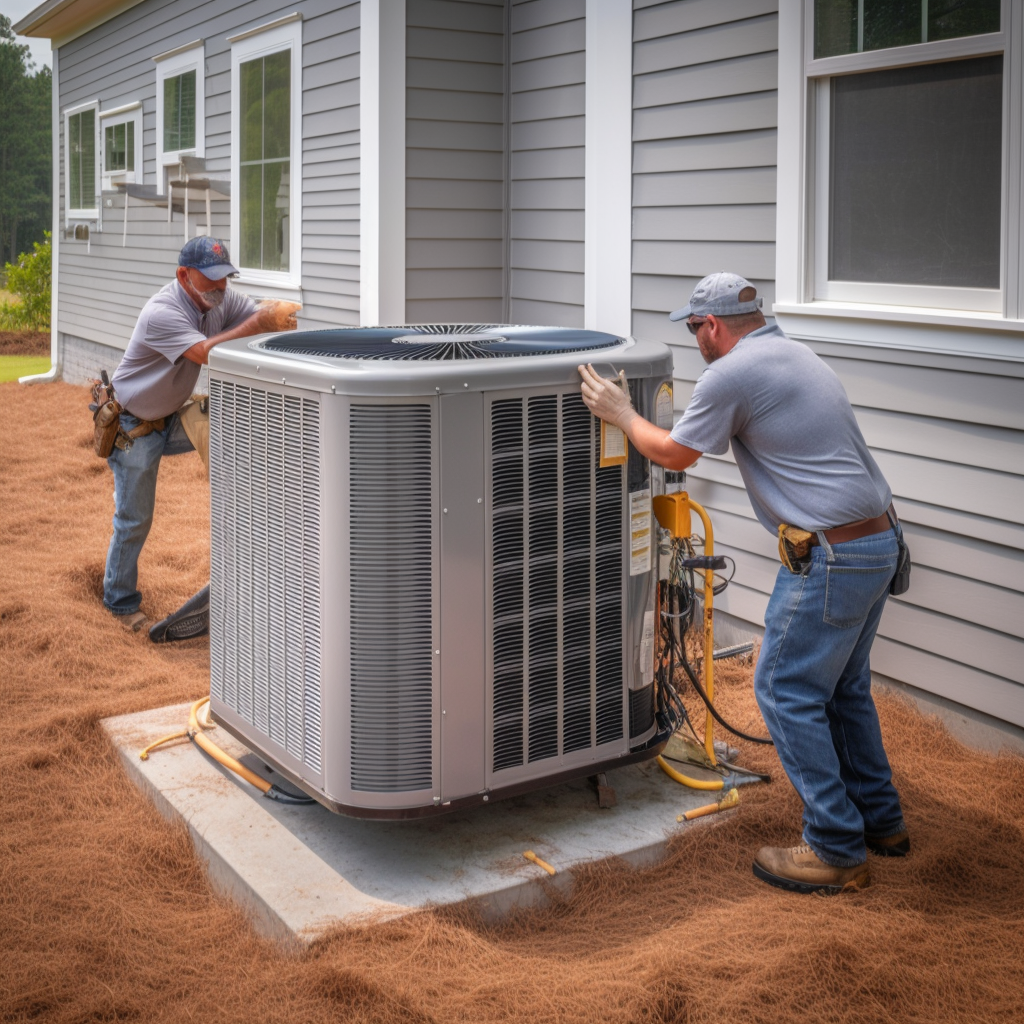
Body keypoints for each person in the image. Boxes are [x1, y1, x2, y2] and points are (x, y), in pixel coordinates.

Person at [579, 271, 908, 895]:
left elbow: (675, 454)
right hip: (878, 541)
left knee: (783, 688)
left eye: (694, 329)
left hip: (833, 554)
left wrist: (619, 413)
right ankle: (882, 823)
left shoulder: (731, 372)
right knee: (843, 689)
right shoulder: (795, 353)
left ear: (713, 327)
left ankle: (835, 847)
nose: (695, 341)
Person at [102, 236, 298, 632]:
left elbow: (255, 313)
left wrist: (273, 315)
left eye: (225, 278)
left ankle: (250, 513)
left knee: (226, 416)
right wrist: (259, 323)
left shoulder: (217, 298)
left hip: (171, 416)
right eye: (210, 279)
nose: (220, 288)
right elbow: (205, 354)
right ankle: (119, 603)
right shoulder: (162, 312)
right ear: (183, 275)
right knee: (134, 518)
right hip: (133, 427)